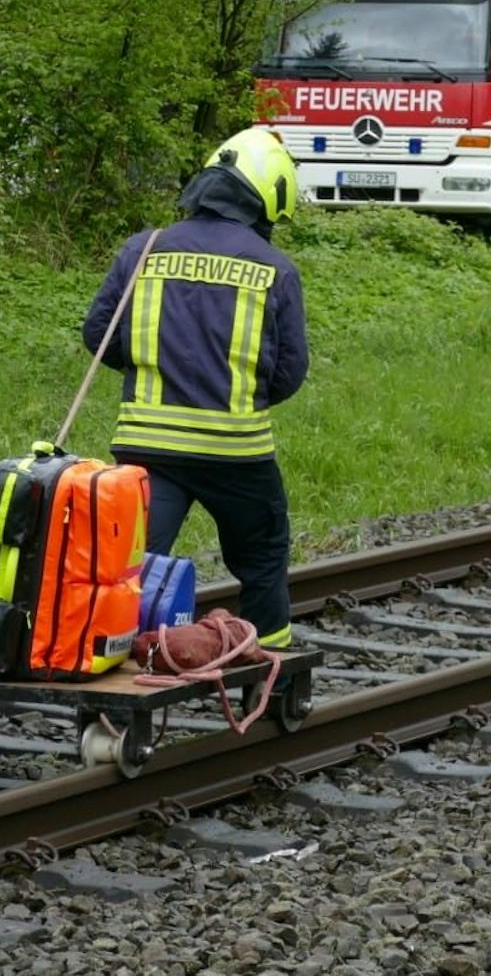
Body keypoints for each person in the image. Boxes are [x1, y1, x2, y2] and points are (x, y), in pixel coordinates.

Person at [81, 128, 310, 649]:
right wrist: (239, 395)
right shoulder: (275, 268)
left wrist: (151, 374)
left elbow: (99, 335)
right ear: (266, 197)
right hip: (236, 454)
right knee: (263, 561)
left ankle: (114, 664)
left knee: (130, 568)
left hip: (146, 447)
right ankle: (267, 670)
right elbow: (290, 371)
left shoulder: (143, 249)